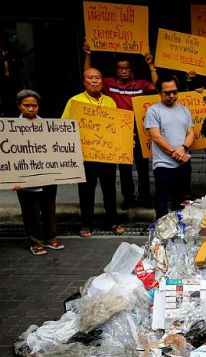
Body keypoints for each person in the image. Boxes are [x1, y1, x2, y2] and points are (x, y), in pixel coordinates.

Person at [84, 47, 156, 209]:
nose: (124, 71)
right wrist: (88, 55)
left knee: (143, 166)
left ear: (131, 70)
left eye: (126, 68)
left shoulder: (141, 84)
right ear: (116, 70)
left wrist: (151, 65)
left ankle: (145, 197)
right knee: (125, 167)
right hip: (120, 130)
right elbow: (88, 75)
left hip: (139, 129)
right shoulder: (108, 83)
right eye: (120, 68)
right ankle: (128, 198)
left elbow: (157, 85)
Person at [61, 67, 125, 237]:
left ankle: (113, 221)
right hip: (85, 157)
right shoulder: (74, 101)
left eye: (97, 77)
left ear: (102, 81)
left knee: (109, 190)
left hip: (106, 156)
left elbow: (117, 127)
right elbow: (64, 127)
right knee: (86, 191)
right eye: (90, 78)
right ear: (84, 82)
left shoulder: (110, 102)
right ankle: (86, 224)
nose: (94, 81)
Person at [13, 90, 63, 255]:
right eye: (26, 105)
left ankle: (51, 238)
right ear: (20, 106)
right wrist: (10, 179)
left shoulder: (47, 126)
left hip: (48, 176)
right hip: (25, 178)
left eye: (34, 105)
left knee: (49, 208)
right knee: (31, 211)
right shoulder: (10, 128)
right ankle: (35, 242)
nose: (30, 109)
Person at [144, 75, 195, 218]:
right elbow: (156, 136)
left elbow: (191, 133)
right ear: (160, 93)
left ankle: (177, 231)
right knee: (162, 199)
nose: (172, 95)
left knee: (180, 200)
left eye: (174, 92)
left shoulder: (185, 110)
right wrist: (176, 152)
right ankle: (162, 231)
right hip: (163, 165)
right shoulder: (153, 111)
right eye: (167, 93)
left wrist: (183, 148)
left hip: (183, 163)